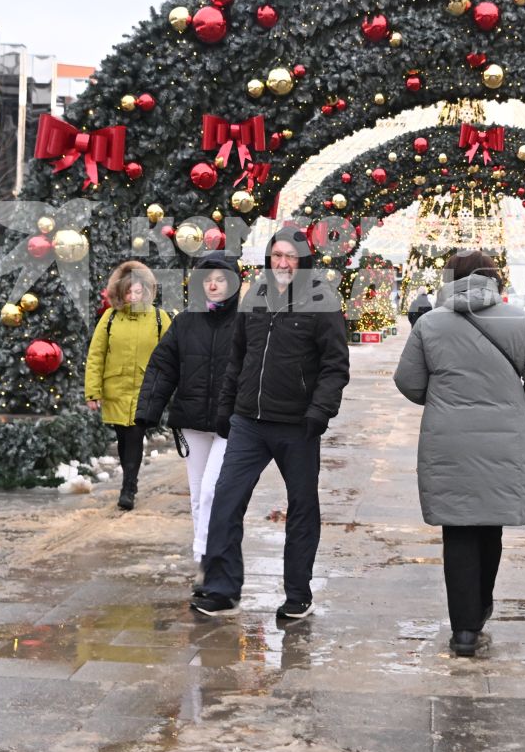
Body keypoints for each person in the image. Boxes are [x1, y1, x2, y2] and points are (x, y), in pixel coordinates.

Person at [393, 250, 525, 657]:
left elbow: (408, 381)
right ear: (494, 278)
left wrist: (441, 398)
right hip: (504, 440)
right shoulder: (520, 321)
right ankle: (481, 606)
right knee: (491, 526)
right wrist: (524, 413)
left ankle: (463, 629)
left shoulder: (430, 324)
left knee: (458, 529)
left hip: (447, 440)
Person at [190, 227, 349, 621]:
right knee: (225, 500)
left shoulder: (321, 301)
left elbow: (335, 366)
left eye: (290, 257)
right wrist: (227, 408)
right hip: (249, 422)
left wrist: (319, 411)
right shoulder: (254, 296)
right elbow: (238, 357)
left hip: (297, 424)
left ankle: (297, 593)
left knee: (302, 508)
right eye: (277, 256)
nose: (282, 263)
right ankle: (221, 590)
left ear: (303, 261)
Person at [134, 252, 242, 566]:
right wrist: (148, 411)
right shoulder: (185, 322)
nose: (213, 286)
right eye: (207, 280)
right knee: (198, 495)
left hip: (229, 424)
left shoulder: (245, 322)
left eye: (220, 280)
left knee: (213, 491)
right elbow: (162, 367)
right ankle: (202, 555)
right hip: (192, 421)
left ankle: (211, 553)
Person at [84, 260, 170, 511]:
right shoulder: (110, 319)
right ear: (120, 293)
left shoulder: (158, 318)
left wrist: (166, 387)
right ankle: (128, 479)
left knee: (135, 435)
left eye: (138, 291)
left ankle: (128, 487)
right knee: (123, 439)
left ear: (146, 290)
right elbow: (96, 355)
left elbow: (171, 354)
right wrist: (93, 391)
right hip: (116, 390)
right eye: (128, 292)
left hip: (145, 390)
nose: (133, 296)